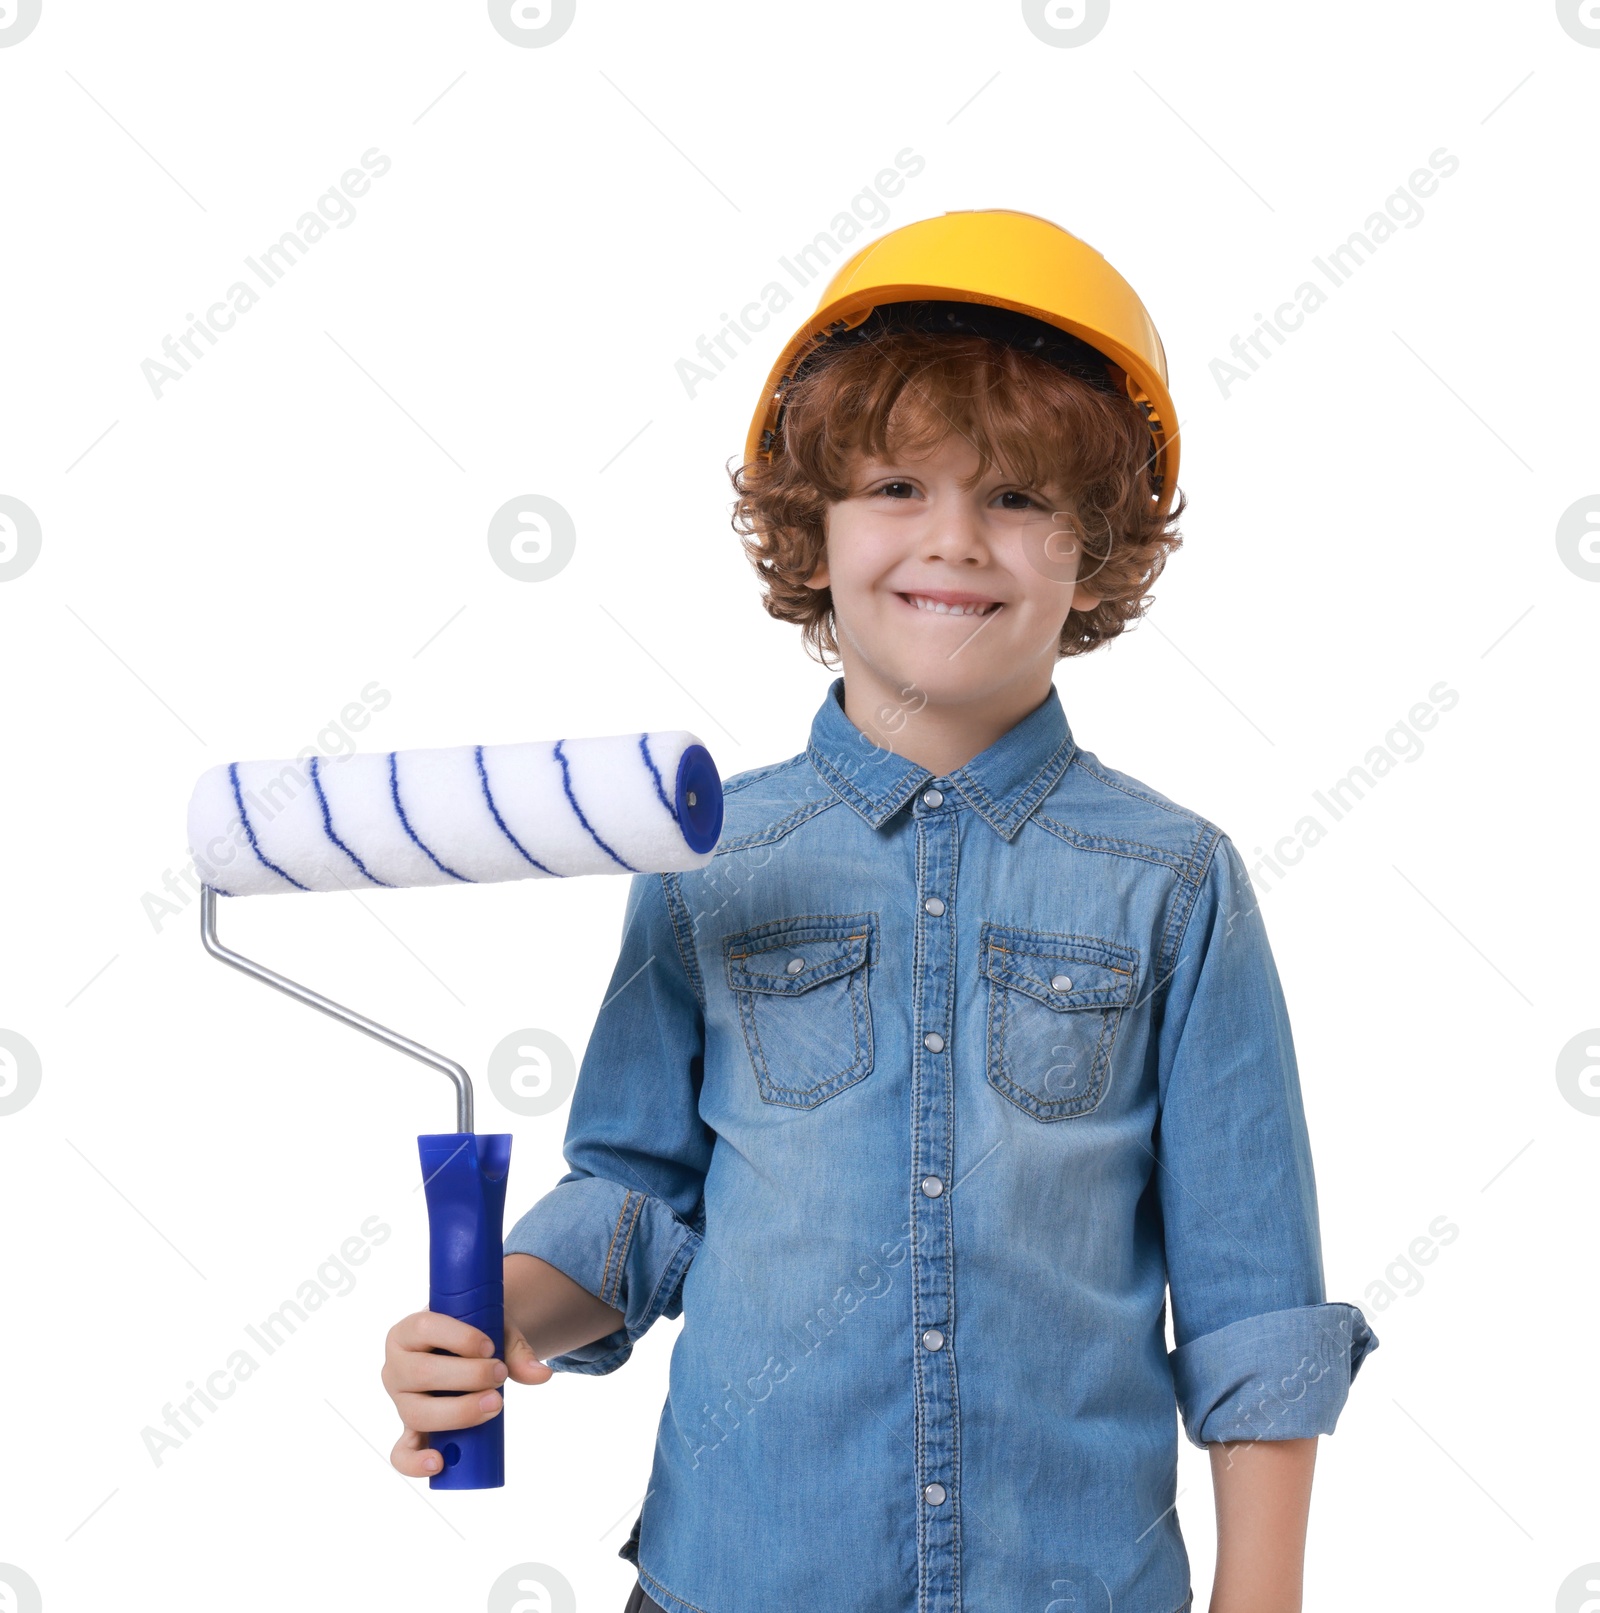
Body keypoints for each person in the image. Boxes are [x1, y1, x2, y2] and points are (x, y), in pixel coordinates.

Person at [379, 209, 1377, 1613]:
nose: (955, 542)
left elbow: (1252, 1294)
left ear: (1097, 549)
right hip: (732, 1576)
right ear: (814, 525)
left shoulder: (1179, 883)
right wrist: (494, 1316)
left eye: (1019, 497)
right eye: (897, 485)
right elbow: (639, 1201)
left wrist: (1258, 1598)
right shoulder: (697, 851)